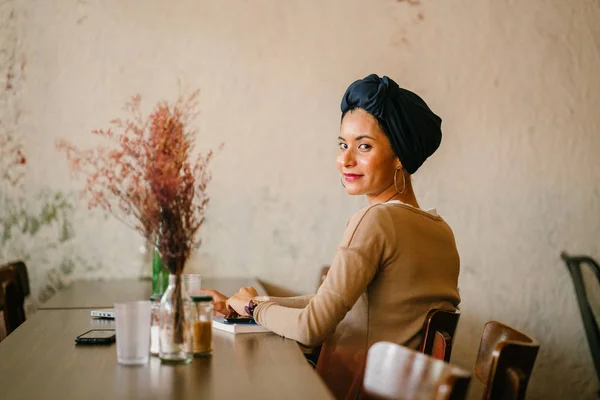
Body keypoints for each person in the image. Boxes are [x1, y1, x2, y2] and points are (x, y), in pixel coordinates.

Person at [204, 74, 460, 400]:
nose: (346, 160)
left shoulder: (376, 220)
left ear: (400, 156)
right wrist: (245, 305)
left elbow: (313, 328)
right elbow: (334, 306)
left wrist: (253, 307)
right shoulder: (441, 230)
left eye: (364, 146)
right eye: (343, 144)